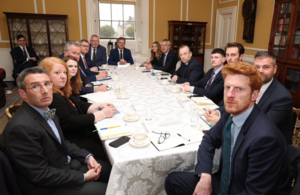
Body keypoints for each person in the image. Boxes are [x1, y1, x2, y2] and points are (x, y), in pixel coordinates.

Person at [165, 62, 290, 195]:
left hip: (241, 189)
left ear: (254, 95)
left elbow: (254, 192)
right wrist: (205, 176)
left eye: (239, 89)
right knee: (173, 181)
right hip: (225, 182)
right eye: (227, 87)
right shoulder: (230, 115)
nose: (229, 94)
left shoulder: (265, 139)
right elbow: (208, 140)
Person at [0, 67, 111, 195]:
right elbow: (40, 174)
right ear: (23, 94)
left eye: (47, 84)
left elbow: (61, 141)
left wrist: (87, 157)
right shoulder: (20, 128)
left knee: (113, 170)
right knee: (109, 191)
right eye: (35, 87)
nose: (45, 91)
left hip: (64, 166)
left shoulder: (46, 110)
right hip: (49, 187)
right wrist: (83, 177)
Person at [205, 51, 293, 145]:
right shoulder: (250, 85)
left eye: (266, 67)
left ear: (275, 69)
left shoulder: (282, 97)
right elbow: (237, 102)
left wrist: (223, 123)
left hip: (270, 147)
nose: (260, 71)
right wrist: (218, 111)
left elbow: (260, 128)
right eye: (257, 67)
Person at [39, 57, 116, 160]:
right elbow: (70, 121)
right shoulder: (52, 97)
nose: (63, 76)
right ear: (45, 76)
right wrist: (102, 114)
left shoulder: (60, 90)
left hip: (80, 133)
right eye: (57, 73)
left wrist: (98, 106)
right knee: (109, 152)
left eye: (64, 72)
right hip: (74, 141)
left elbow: (78, 104)